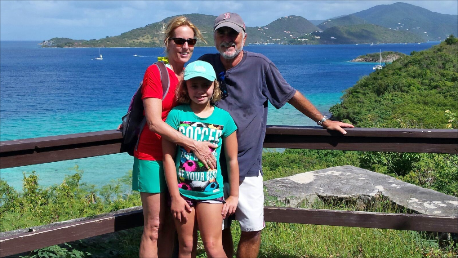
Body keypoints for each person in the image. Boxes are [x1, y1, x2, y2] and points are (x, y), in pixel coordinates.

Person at [199, 12, 355, 258]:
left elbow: (290, 94)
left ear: (244, 37)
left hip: (247, 165)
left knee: (251, 228)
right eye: (222, 33)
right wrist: (135, 116)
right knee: (218, 231)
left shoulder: (260, 65)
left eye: (233, 33)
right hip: (209, 167)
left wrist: (324, 120)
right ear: (214, 37)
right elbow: (176, 90)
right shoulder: (205, 64)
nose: (228, 39)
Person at [132, 17, 217, 258]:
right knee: (154, 226)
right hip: (152, 155)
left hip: (179, 159)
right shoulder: (155, 72)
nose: (185, 46)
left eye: (191, 41)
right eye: (179, 40)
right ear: (168, 43)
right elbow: (154, 122)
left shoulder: (191, 75)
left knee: (172, 223)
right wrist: (194, 145)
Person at [162, 60, 239, 258]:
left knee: (213, 246)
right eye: (194, 85)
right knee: (186, 247)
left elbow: (232, 160)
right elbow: (168, 158)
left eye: (205, 85)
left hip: (211, 194)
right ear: (186, 87)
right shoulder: (176, 115)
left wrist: (234, 196)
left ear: (214, 85)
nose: (200, 90)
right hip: (182, 194)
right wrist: (175, 197)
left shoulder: (224, 118)